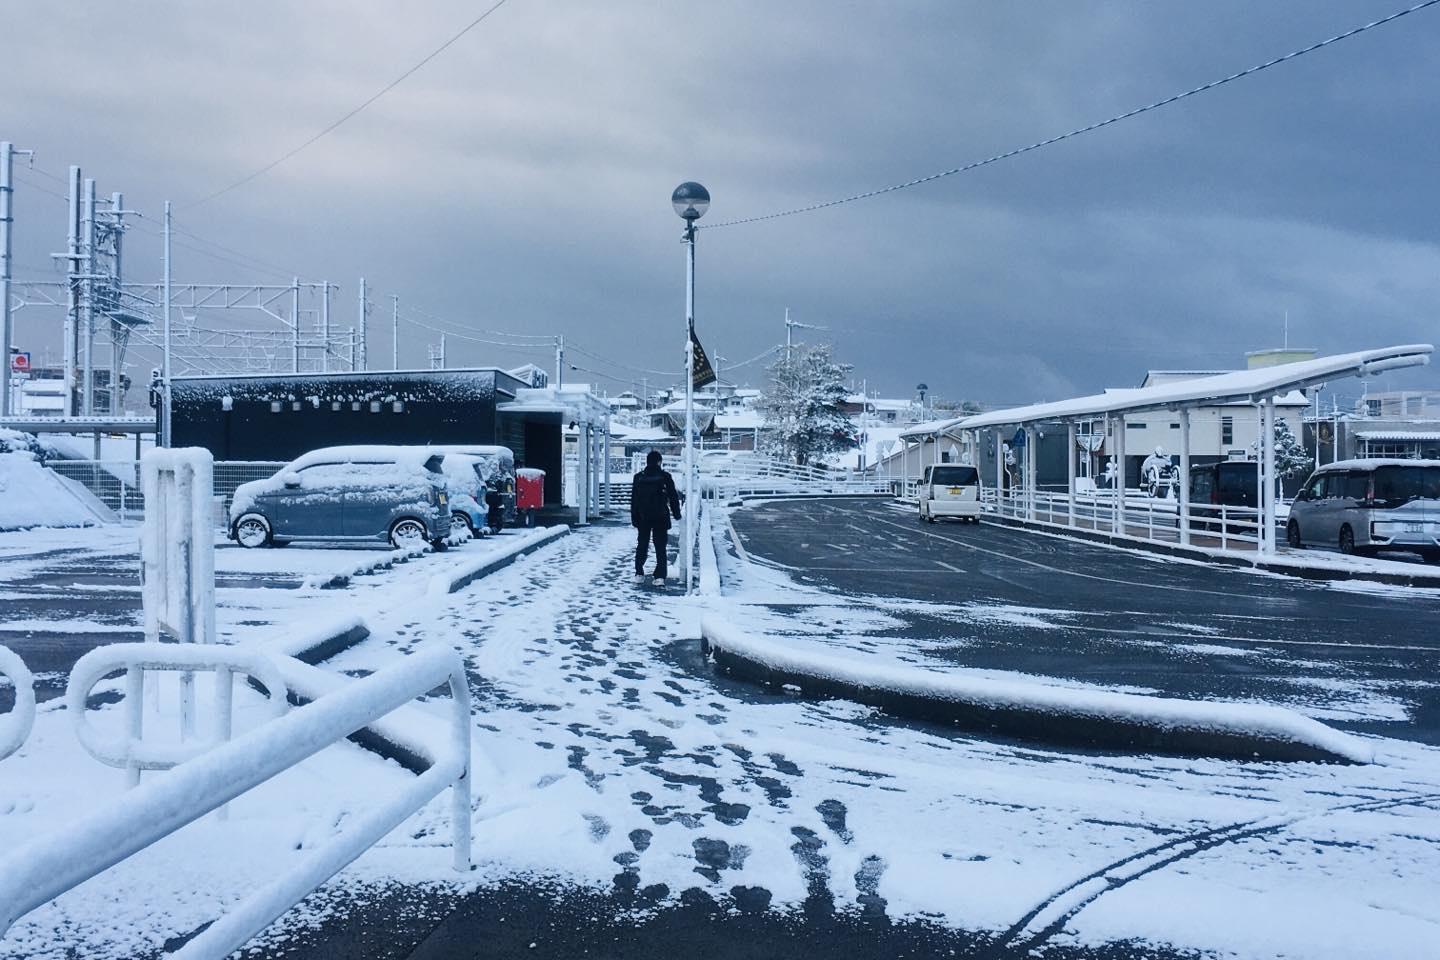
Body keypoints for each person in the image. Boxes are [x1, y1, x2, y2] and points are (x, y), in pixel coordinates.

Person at [631, 450, 682, 585]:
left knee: (642, 545)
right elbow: (673, 497)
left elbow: (634, 500)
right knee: (660, 547)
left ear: (647, 462)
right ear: (659, 462)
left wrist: (634, 518)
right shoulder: (665, 476)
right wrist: (677, 514)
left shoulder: (638, 477)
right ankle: (659, 577)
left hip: (643, 517)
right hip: (661, 517)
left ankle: (639, 573)